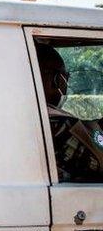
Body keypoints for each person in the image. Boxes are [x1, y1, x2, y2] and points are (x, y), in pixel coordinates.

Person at [36, 42, 103, 182]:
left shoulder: (23, 115)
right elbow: (97, 162)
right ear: (58, 79)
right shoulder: (57, 123)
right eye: (66, 78)